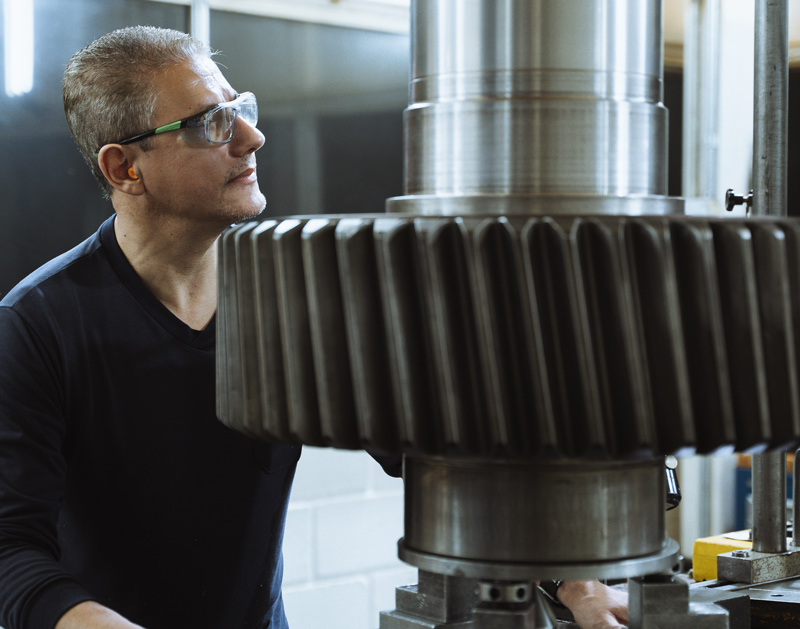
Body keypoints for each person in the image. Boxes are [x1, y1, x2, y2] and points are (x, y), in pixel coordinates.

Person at [0, 26, 627, 629]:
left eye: (240, 108)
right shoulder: (37, 326)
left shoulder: (292, 295)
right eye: (211, 123)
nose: (253, 136)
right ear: (123, 168)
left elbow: (434, 454)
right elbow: (10, 554)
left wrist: (571, 573)